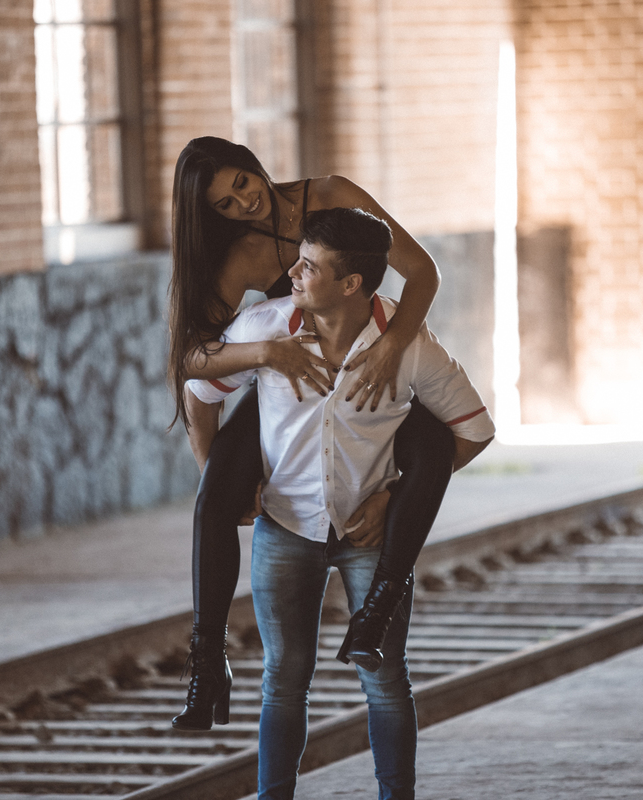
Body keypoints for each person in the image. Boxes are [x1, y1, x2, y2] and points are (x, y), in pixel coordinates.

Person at [186, 207, 494, 799]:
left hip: (368, 537)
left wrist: (395, 498)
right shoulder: (266, 327)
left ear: (351, 284)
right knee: (284, 678)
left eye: (309, 266)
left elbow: (472, 431)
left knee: (385, 679)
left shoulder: (407, 345)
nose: (293, 274)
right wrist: (218, 480)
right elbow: (198, 386)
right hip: (285, 526)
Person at [168, 137, 458, 730]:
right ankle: (207, 660)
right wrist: (266, 358)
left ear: (254, 165)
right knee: (213, 496)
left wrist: (393, 347)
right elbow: (193, 361)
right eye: (223, 204)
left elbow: (422, 271)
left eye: (242, 184)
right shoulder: (239, 258)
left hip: (373, 369)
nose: (242, 204)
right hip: (294, 390)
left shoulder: (328, 196)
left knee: (433, 445)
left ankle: (379, 607)